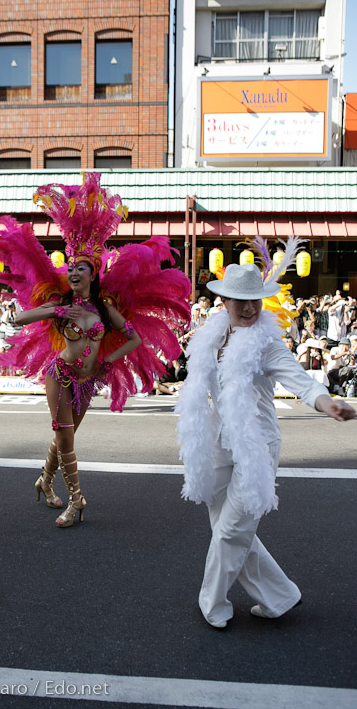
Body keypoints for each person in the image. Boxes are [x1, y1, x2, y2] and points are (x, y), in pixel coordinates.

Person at [0, 172, 190, 528]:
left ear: (93, 275)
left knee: (66, 436)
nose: (74, 270)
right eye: (72, 266)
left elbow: (135, 338)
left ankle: (44, 481)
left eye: (82, 268)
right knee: (63, 431)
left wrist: (106, 362)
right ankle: (77, 501)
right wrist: (56, 310)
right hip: (59, 372)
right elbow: (19, 318)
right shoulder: (62, 303)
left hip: (88, 380)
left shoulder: (106, 309)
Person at [177, 259, 355, 630]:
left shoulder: (267, 344)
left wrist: (328, 403)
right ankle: (280, 597)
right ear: (223, 300)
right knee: (233, 532)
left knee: (230, 532)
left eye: (254, 300)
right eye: (240, 300)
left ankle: (212, 604)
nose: (248, 308)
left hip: (256, 447)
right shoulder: (210, 337)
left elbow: (301, 381)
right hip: (219, 444)